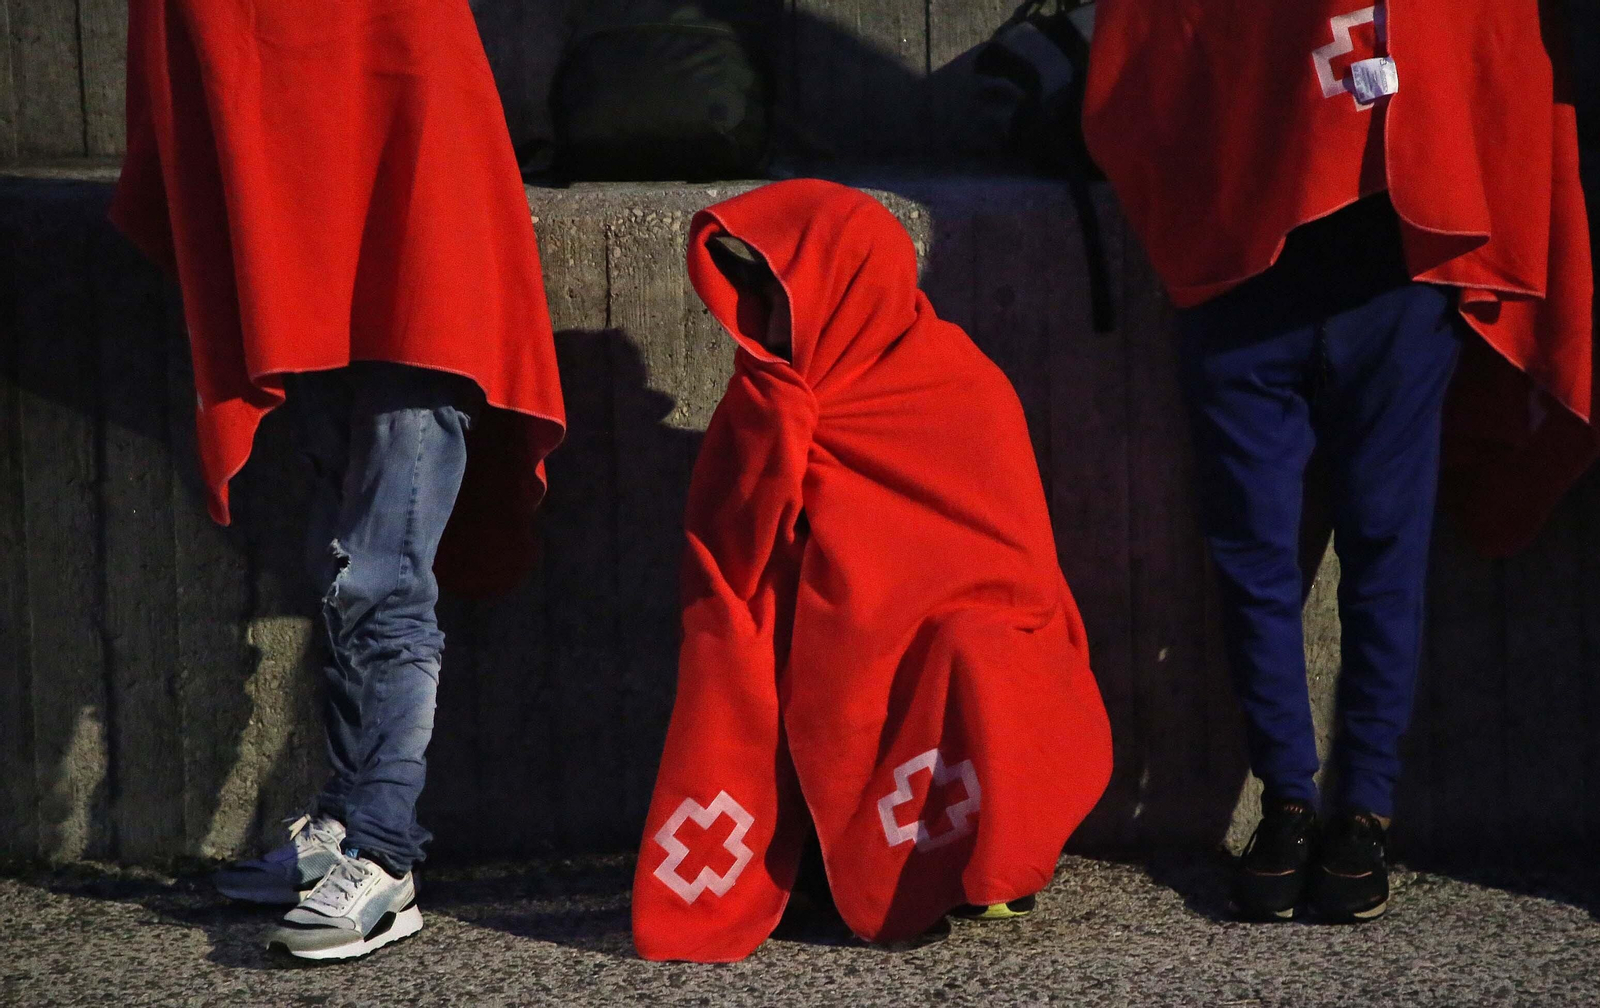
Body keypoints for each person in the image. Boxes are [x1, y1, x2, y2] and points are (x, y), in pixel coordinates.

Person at [1083, 0, 1593, 922]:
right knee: (1253, 558)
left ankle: (1365, 811)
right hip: (1244, 279)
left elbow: (1501, 66)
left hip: (1394, 282)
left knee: (1385, 553)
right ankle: (1286, 799)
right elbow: (1142, 64)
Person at [112, 0, 566, 959]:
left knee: (381, 578)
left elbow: (423, 104)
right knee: (342, 565)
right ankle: (342, 826)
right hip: (306, 263)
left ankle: (385, 856)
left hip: (420, 281)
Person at [630, 179, 1113, 962]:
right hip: (829, 627)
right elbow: (732, 556)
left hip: (951, 630)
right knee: (767, 654)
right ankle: (834, 854)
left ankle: (972, 859)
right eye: (755, 293)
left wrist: (917, 606)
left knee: (978, 652)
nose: (766, 318)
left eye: (782, 292)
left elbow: (1015, 562)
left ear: (850, 284)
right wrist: (778, 440)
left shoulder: (960, 383)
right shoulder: (770, 396)